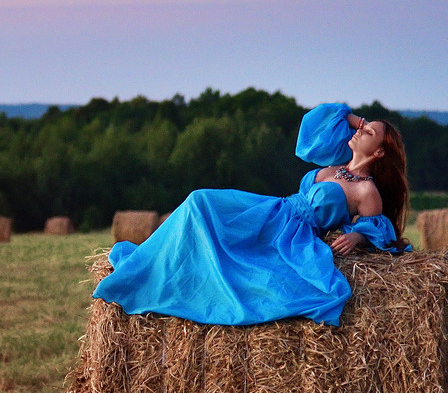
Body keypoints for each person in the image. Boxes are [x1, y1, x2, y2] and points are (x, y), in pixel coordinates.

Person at [92, 104, 411, 327]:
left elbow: (379, 228)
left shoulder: (367, 191)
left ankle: (160, 278)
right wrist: (355, 119)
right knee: (199, 202)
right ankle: (152, 261)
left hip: (289, 234)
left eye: (369, 133)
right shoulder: (334, 165)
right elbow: (313, 129)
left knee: (203, 212)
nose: (361, 130)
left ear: (379, 152)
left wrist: (358, 235)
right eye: (364, 127)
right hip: (274, 210)